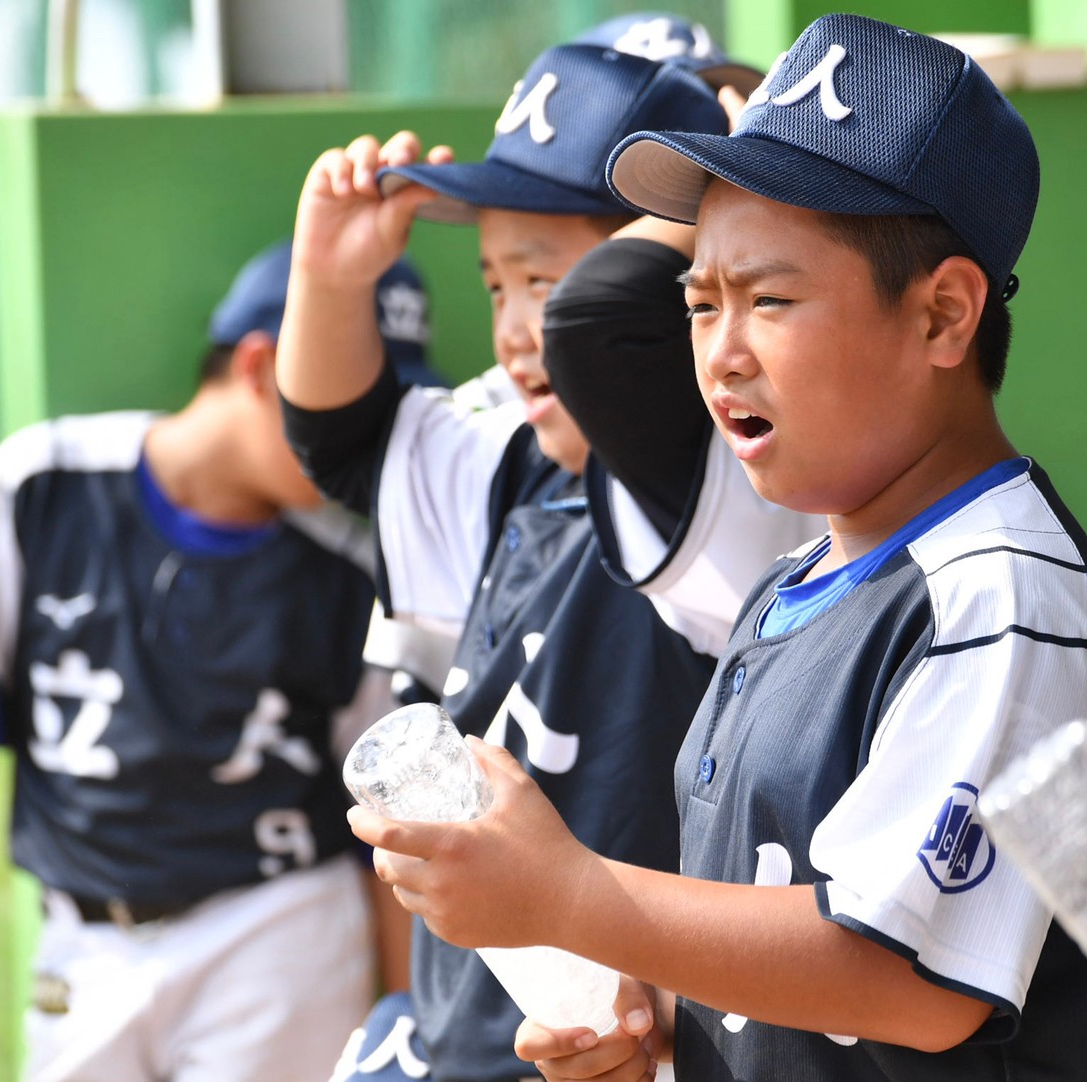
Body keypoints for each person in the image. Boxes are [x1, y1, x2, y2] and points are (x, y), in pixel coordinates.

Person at [349, 14, 1087, 1081]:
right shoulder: (792, 581)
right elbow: (778, 937)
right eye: (700, 302)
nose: (721, 352)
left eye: (769, 299)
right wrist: (650, 1018)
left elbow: (905, 978)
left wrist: (573, 895)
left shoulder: (1000, 589)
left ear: (942, 316)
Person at [278, 38, 817, 1082]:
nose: (521, 329)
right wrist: (328, 280)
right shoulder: (515, 466)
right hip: (472, 1027)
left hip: (637, 1040)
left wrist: (719, 193)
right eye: (496, 285)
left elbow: (605, 322)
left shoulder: (725, 485)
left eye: (544, 280)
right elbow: (341, 442)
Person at [0, 241, 435, 1082]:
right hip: (83, 937)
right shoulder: (41, 482)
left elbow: (384, 820)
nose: (364, 442)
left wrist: (406, 1019)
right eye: (350, 404)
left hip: (275, 930)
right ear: (260, 368)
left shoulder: (352, 564)